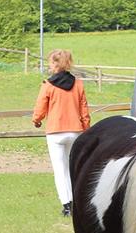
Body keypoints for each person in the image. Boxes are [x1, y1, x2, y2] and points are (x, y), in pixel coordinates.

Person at [32, 49, 92, 217]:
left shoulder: (48, 85)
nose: (49, 66)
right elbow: (84, 109)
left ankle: (67, 205)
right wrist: (86, 128)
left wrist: (36, 120)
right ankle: (78, 202)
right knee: (74, 168)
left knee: (60, 170)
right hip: (75, 131)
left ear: (57, 64)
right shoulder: (78, 84)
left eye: (51, 63)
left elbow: (40, 108)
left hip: (55, 132)